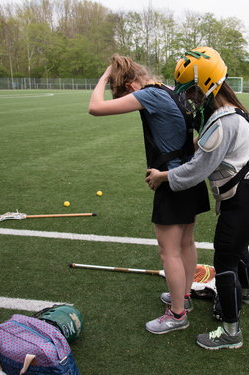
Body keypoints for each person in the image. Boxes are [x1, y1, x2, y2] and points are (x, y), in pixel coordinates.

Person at [146, 46, 249, 350]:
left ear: (208, 84)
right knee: (239, 248)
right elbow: (206, 151)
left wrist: (163, 176)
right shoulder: (231, 112)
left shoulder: (223, 121)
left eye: (192, 91)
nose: (190, 98)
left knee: (224, 260)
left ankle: (231, 333)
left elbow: (198, 169)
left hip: (243, 200)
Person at [88, 54, 210, 334]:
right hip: (190, 176)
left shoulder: (148, 94)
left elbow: (95, 108)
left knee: (169, 251)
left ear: (130, 85)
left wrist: (105, 77)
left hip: (170, 180)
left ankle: (177, 315)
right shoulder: (170, 89)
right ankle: (185, 298)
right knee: (187, 243)